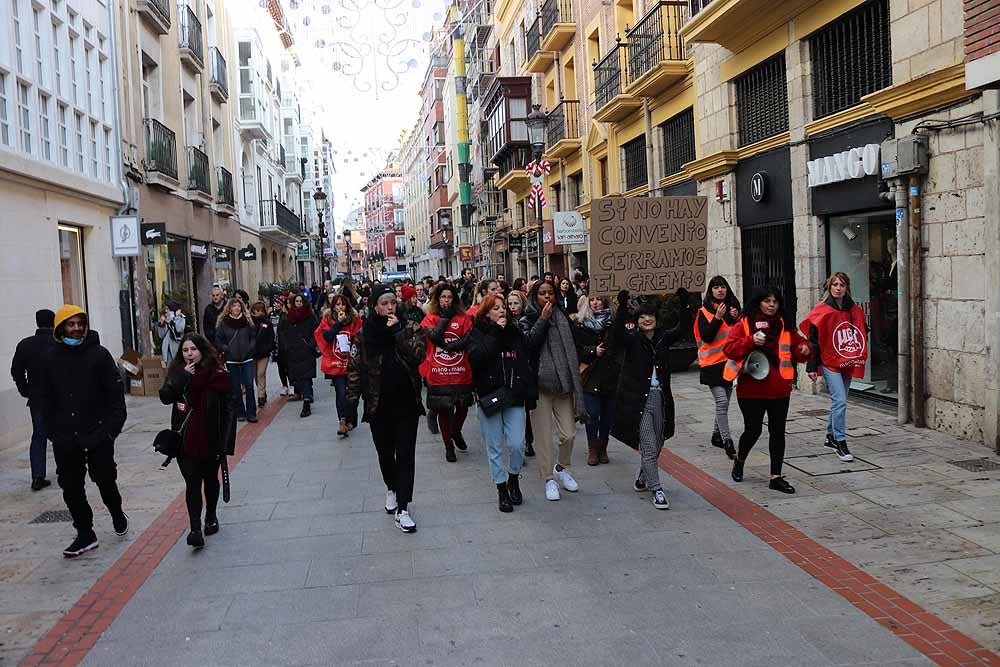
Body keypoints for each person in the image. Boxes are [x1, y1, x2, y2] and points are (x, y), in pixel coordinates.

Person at [40, 305, 129, 557]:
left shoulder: (99, 354)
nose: (76, 328)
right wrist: (52, 431)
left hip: (98, 433)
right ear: (60, 328)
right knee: (70, 486)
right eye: (71, 324)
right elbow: (45, 398)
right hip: (66, 437)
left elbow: (115, 396)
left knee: (104, 478)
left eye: (80, 323)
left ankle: (116, 510)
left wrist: (110, 430)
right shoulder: (49, 358)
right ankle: (85, 532)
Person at [346, 285, 426, 533]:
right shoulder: (363, 334)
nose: (390, 307)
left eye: (393, 302)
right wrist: (350, 405)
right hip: (377, 403)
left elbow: (418, 356)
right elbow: (354, 370)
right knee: (385, 453)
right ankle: (391, 487)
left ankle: (403, 508)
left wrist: (399, 333)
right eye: (384, 303)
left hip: (406, 402)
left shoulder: (410, 327)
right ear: (374, 306)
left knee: (405, 455)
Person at [723, 287, 813, 494]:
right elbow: (729, 349)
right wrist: (750, 341)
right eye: (767, 301)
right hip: (751, 390)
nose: (772, 305)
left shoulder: (784, 325)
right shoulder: (744, 323)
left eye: (775, 301)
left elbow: (799, 345)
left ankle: (776, 476)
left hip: (779, 389)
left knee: (778, 432)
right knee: (753, 430)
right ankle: (740, 459)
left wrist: (805, 348)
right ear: (759, 302)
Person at [158, 334, 235, 549]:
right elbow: (165, 397)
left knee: (210, 480)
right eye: (185, 350)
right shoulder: (178, 373)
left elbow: (230, 408)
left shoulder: (218, 374)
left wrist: (226, 443)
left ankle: (210, 516)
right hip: (186, 440)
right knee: (192, 483)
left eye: (193, 349)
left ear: (202, 350)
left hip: (211, 438)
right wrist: (182, 378)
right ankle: (194, 529)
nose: (189, 354)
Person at [608, 292, 681, 509]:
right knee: (648, 445)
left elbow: (682, 328)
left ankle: (643, 475)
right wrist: (622, 308)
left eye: (650, 315)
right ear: (637, 321)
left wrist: (685, 302)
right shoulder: (632, 341)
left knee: (659, 442)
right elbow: (617, 335)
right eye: (642, 317)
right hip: (640, 400)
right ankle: (656, 488)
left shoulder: (663, 339)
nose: (646, 319)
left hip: (661, 398)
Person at [468, 293, 535, 513]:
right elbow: (478, 357)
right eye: (496, 308)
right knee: (494, 446)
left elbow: (525, 357)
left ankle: (513, 478)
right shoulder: (477, 332)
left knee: (517, 444)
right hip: (490, 396)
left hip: (514, 395)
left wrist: (528, 390)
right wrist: (496, 330)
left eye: (503, 307)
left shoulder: (513, 331)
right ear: (486, 312)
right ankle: (501, 489)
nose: (502, 311)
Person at [520, 280, 587, 501]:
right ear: (534, 296)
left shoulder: (563, 317)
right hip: (538, 385)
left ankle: (562, 467)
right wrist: (542, 320)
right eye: (542, 293)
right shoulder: (527, 317)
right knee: (543, 437)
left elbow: (575, 346)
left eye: (550, 293)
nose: (547, 297)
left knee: (568, 433)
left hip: (563, 383)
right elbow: (528, 344)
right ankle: (548, 478)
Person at [802, 272, 867, 463]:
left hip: (847, 359)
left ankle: (830, 436)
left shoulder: (853, 309)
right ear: (829, 288)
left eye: (842, 285)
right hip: (830, 361)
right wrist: (811, 367)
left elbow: (862, 331)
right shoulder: (821, 310)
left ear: (847, 288)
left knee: (840, 400)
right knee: (839, 400)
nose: (838, 288)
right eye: (835, 285)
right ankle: (840, 441)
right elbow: (812, 340)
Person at [420, 283, 475, 462]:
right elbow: (433, 337)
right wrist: (444, 319)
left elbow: (469, 337)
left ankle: (456, 431)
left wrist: (454, 345)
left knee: (463, 406)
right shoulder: (431, 318)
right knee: (444, 410)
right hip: (439, 372)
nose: (446, 301)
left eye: (449, 297)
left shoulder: (463, 317)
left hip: (460, 371)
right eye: (443, 297)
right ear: (438, 299)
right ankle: (448, 445)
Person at [694, 276, 742, 460]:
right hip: (711, 365)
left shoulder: (733, 310)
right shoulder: (703, 312)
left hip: (728, 363)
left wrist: (737, 319)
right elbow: (707, 336)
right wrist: (718, 318)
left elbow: (740, 334)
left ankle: (716, 434)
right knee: (721, 402)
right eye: (716, 287)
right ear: (710, 291)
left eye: (723, 287)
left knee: (725, 402)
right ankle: (727, 440)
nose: (720, 290)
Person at [11, 309, 55, 490]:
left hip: (36, 398)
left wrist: (25, 390)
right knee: (63, 434)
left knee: (39, 436)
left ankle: (37, 476)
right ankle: (66, 471)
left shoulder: (25, 345)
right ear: (53, 323)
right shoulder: (58, 343)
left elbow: (16, 371)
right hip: (59, 397)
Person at [573, 294, 617, 466]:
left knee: (608, 415)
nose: (595, 303)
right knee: (592, 414)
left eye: (599, 299)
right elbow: (576, 349)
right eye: (592, 300)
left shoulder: (613, 323)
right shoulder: (580, 323)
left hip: (610, 374)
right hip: (590, 375)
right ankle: (592, 448)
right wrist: (592, 351)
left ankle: (602, 446)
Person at [316, 294, 362, 435]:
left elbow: (360, 338)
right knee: (341, 394)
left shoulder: (353, 320)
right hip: (336, 365)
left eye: (342, 304)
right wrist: (338, 324)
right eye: (337, 304)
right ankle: (342, 421)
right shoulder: (328, 320)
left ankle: (350, 420)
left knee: (352, 395)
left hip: (351, 363)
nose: (340, 307)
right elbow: (328, 337)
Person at [215, 298, 258, 423]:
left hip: (247, 358)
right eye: (234, 306)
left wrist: (250, 347)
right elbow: (218, 339)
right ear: (229, 308)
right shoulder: (224, 323)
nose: (237, 308)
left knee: (249, 386)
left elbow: (253, 337)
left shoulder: (247, 321)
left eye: (239, 306)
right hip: (232, 359)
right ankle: (240, 412)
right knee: (235, 387)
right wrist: (225, 348)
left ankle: (251, 413)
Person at [278, 294, 320, 418]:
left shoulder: (310, 316)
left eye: (301, 301)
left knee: (306, 377)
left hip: (306, 351)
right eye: (297, 301)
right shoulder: (289, 317)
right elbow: (283, 333)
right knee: (300, 378)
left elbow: (316, 331)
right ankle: (306, 395)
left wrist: (310, 345)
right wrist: (287, 346)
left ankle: (306, 402)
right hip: (294, 352)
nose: (299, 303)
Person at [506, 290, 534, 458]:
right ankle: (519, 443)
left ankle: (528, 441)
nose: (512, 307)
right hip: (510, 371)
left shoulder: (528, 320)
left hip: (526, 369)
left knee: (528, 410)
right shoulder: (504, 321)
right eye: (509, 303)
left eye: (516, 303)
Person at [250, 301, 275, 407]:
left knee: (261, 373)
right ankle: (262, 392)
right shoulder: (250, 323)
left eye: (260, 310)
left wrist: (268, 348)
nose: (258, 313)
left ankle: (260, 397)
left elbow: (271, 337)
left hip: (264, 353)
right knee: (255, 375)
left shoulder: (267, 323)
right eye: (256, 310)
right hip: (252, 353)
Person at [271, 296, 293, 397]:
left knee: (288, 367)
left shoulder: (285, 316)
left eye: (278, 304)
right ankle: (285, 385)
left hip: (285, 346)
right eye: (275, 304)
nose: (276, 306)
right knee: (281, 367)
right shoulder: (273, 316)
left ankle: (291, 385)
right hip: (278, 346)